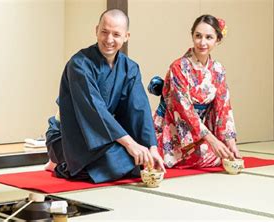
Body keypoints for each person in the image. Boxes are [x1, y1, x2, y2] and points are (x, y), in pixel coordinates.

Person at [45, 9, 166, 184]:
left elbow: (139, 109)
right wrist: (131, 145)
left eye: (116, 34)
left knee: (140, 161)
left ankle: (80, 161)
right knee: (119, 161)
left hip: (103, 135)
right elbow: (95, 111)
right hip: (70, 135)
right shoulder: (79, 64)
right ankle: (60, 162)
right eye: (104, 32)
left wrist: (152, 148)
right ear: (96, 30)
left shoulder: (129, 68)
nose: (109, 40)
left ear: (126, 36)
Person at [148, 14, 241, 169]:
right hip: (173, 126)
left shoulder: (218, 70)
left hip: (199, 131)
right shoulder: (178, 67)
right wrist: (212, 141)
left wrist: (230, 143)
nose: (202, 42)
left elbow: (223, 108)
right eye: (198, 36)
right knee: (210, 153)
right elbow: (185, 111)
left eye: (209, 37)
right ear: (192, 36)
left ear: (217, 40)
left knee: (223, 152)